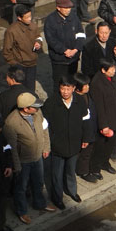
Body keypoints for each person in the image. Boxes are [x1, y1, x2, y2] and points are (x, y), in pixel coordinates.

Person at [3, 93, 56, 225]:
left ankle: (40, 203)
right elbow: (12, 148)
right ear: (26, 109)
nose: (37, 108)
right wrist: (17, 166)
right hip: (23, 161)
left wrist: (46, 147)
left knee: (38, 182)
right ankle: (22, 211)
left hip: (37, 156)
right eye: (34, 106)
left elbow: (45, 129)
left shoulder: (37, 113)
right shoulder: (11, 123)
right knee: (21, 187)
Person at [42, 76, 89, 210]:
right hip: (57, 146)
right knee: (56, 174)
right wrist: (46, 145)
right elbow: (44, 127)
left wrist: (85, 138)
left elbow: (85, 121)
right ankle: (57, 198)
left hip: (74, 144)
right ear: (59, 88)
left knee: (70, 171)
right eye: (63, 88)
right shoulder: (51, 103)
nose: (65, 92)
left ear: (74, 89)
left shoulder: (80, 101)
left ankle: (72, 192)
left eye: (68, 88)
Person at [89, 60, 116, 180]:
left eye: (114, 68)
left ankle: (105, 162)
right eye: (111, 69)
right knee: (100, 146)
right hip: (105, 121)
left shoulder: (110, 78)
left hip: (114, 117)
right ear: (103, 70)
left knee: (110, 144)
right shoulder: (97, 83)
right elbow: (99, 107)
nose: (114, 71)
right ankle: (95, 168)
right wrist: (104, 125)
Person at [44, 0, 86, 90]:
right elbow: (51, 40)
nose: (68, 10)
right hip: (59, 60)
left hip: (73, 59)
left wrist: (76, 49)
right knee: (59, 83)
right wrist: (65, 50)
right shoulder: (50, 21)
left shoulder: (74, 17)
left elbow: (81, 34)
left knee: (72, 82)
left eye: (69, 8)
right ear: (58, 8)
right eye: (65, 8)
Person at [2, 4, 42, 91]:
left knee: (31, 87)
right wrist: (14, 63)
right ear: (19, 18)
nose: (30, 19)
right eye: (27, 17)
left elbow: (38, 36)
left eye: (30, 16)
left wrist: (38, 42)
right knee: (20, 89)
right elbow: (6, 51)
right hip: (19, 65)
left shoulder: (33, 26)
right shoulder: (11, 31)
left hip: (32, 63)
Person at [73, 73, 98, 183]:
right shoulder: (76, 100)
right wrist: (85, 138)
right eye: (85, 85)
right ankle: (83, 171)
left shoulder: (87, 95)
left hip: (92, 128)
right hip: (83, 133)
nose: (88, 87)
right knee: (84, 154)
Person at [0, 126, 14, 231]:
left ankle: (1, 224)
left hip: (2, 176)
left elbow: (7, 148)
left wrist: (9, 165)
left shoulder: (1, 136)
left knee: (2, 201)